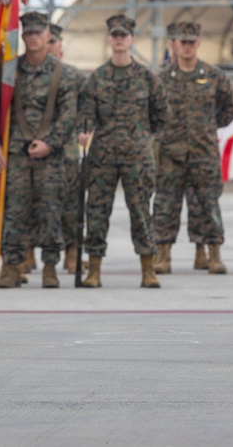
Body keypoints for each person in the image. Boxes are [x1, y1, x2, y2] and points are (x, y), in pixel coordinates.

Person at [77, 15, 170, 288]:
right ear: (109, 39)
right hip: (103, 157)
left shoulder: (146, 78)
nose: (119, 40)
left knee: (141, 213)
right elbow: (86, 114)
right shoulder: (97, 78)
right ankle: (93, 269)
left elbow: (162, 114)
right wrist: (84, 130)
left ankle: (147, 269)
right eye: (114, 35)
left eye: (123, 35)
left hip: (137, 158)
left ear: (131, 40)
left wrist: (142, 137)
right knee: (96, 213)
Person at [0, 12, 78, 288]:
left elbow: (68, 116)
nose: (32, 38)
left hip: (51, 156)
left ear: (48, 36)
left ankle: (50, 267)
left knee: (50, 211)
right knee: (14, 211)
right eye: (28, 33)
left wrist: (50, 143)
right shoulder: (10, 71)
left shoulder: (63, 73)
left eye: (37, 33)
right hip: (17, 154)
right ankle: (11, 265)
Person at [153, 21, 233, 274]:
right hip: (170, 154)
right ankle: (163, 254)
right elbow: (151, 111)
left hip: (204, 153)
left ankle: (211, 254)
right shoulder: (161, 79)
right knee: (166, 205)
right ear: (174, 44)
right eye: (183, 42)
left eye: (191, 42)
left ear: (198, 44)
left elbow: (231, 108)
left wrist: (209, 127)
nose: (187, 47)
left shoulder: (214, 76)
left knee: (208, 205)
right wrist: (163, 134)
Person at [48, 23, 88, 275]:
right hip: (34, 149)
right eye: (47, 40)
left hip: (68, 152)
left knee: (71, 207)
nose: (50, 45)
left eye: (53, 41)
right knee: (32, 205)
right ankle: (27, 254)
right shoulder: (22, 72)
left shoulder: (74, 76)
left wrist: (87, 129)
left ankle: (72, 254)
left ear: (60, 45)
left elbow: (88, 109)